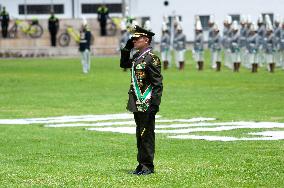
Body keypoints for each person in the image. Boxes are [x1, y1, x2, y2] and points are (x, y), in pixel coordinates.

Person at [120, 25, 163, 175]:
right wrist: (126, 50)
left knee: (147, 135)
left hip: (147, 103)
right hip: (136, 102)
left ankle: (148, 166)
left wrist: (155, 105)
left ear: (146, 40)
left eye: (137, 38)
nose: (134, 41)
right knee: (140, 134)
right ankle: (141, 164)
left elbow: (158, 84)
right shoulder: (137, 57)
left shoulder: (152, 59)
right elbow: (123, 64)